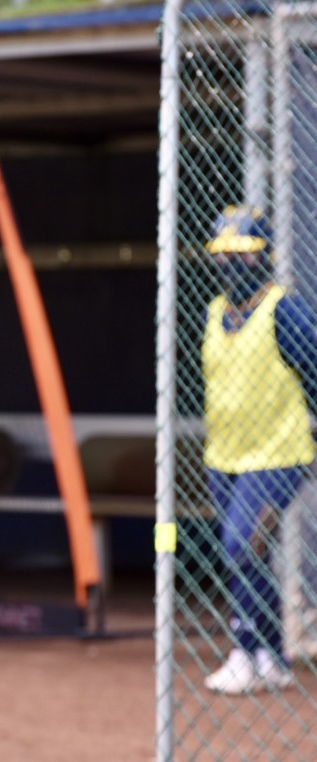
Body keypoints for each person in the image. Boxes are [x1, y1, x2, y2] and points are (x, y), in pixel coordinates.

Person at [200, 205, 317, 694]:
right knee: (246, 555)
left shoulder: (282, 310)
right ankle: (270, 656)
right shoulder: (214, 312)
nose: (231, 265)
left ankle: (245, 651)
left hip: (277, 453)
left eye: (243, 255)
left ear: (264, 256)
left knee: (240, 543)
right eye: (223, 256)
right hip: (224, 455)